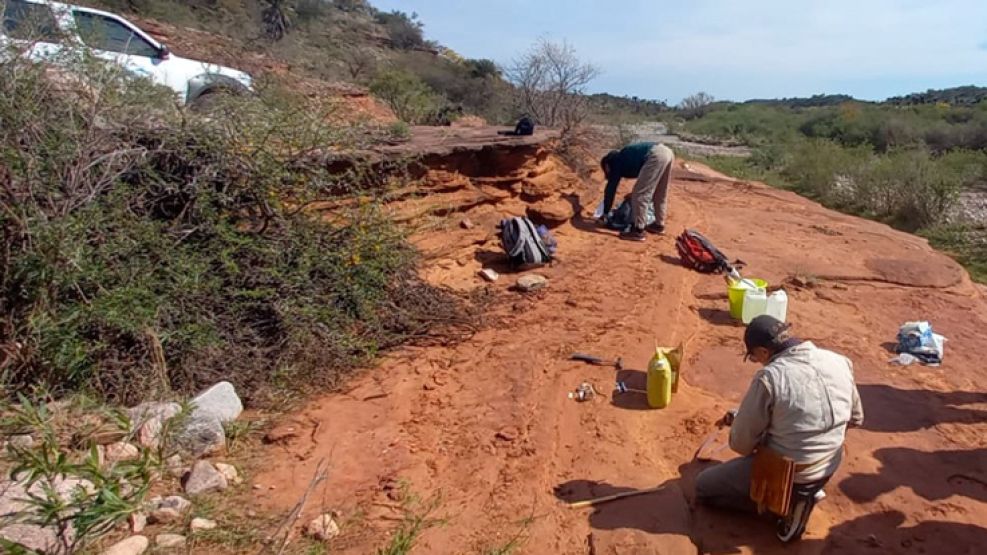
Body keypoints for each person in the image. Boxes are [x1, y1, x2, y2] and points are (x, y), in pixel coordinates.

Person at [694, 315, 864, 541]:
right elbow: (855, 418)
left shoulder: (770, 377)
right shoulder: (839, 360)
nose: (757, 362)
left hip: (790, 472)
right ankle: (809, 490)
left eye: (754, 357)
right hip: (830, 463)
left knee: (704, 487)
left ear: (764, 352)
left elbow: (741, 445)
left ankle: (785, 505)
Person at [599, 142, 675, 241]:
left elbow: (611, 188)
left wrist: (605, 212)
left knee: (640, 195)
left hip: (655, 155)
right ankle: (658, 225)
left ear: (606, 165)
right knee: (660, 193)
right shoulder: (626, 157)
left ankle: (637, 230)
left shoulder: (615, 161)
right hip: (667, 152)